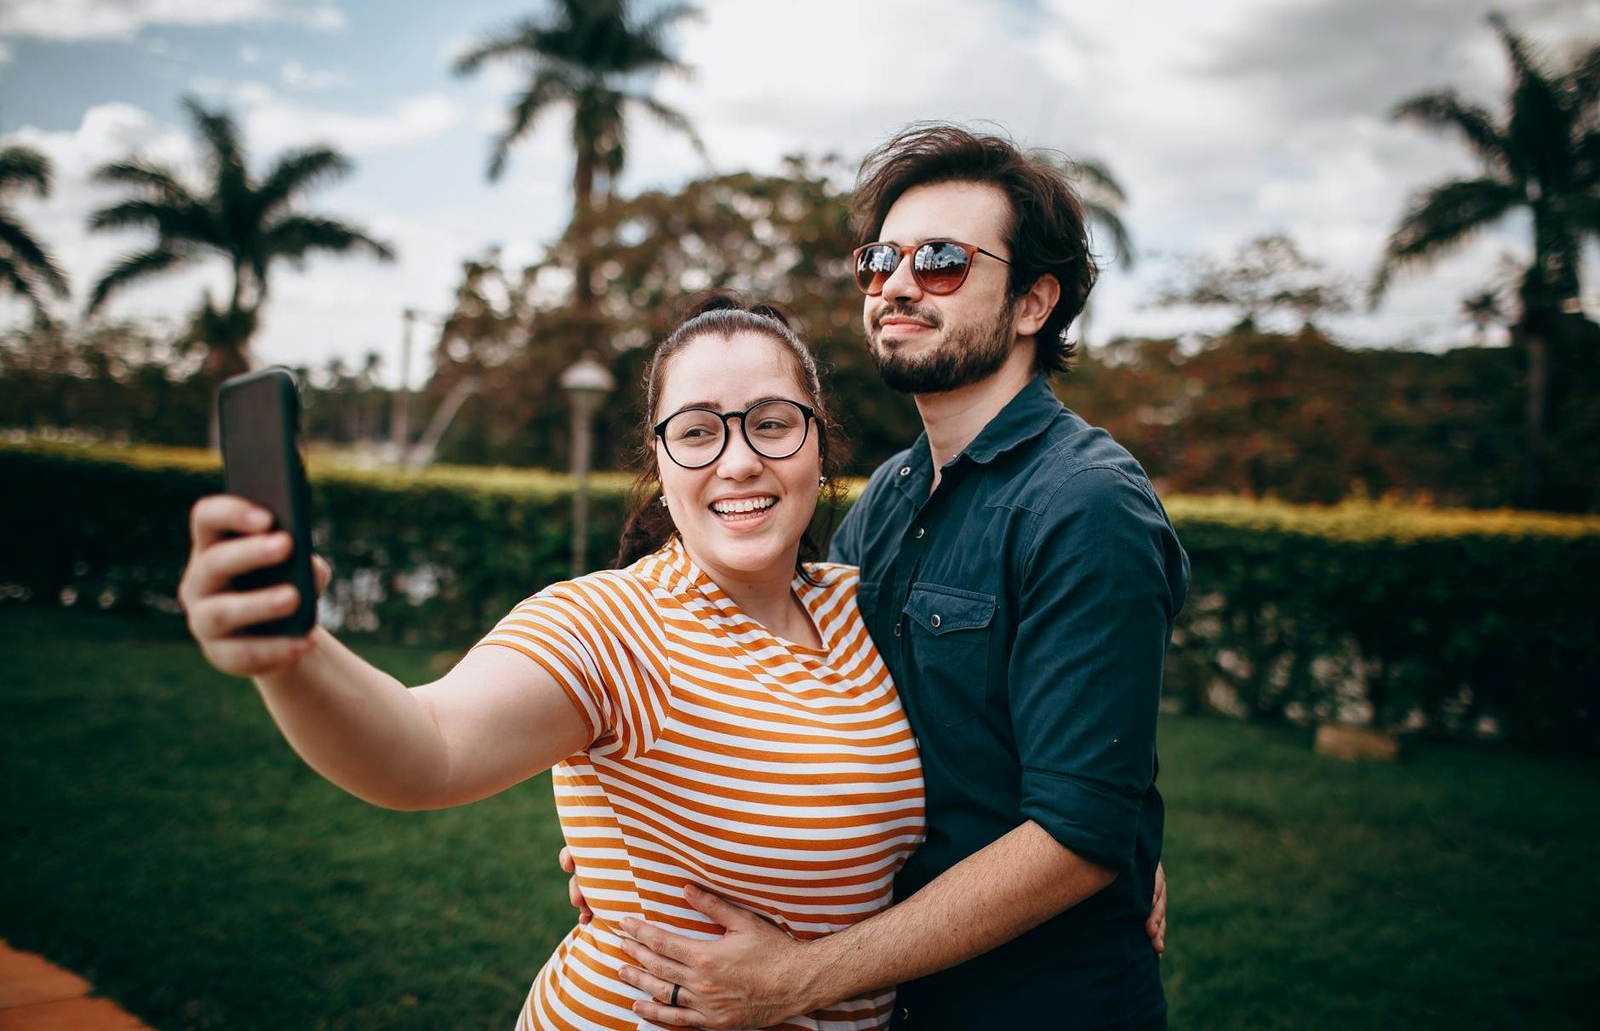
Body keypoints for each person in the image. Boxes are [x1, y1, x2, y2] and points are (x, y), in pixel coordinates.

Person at [179, 293, 929, 1030]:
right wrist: (294, 657)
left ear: (818, 444)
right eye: (697, 433)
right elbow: (428, 745)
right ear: (660, 463)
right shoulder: (615, 625)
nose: (738, 461)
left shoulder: (859, 604)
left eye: (771, 424)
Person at [615, 124, 1189, 1030]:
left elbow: (1076, 837)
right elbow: (800, 695)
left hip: (1042, 1006)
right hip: (897, 1003)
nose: (898, 284)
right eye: (880, 258)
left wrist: (803, 977)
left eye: (944, 260)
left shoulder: (1086, 506)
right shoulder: (889, 494)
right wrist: (632, 841)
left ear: (1035, 301)